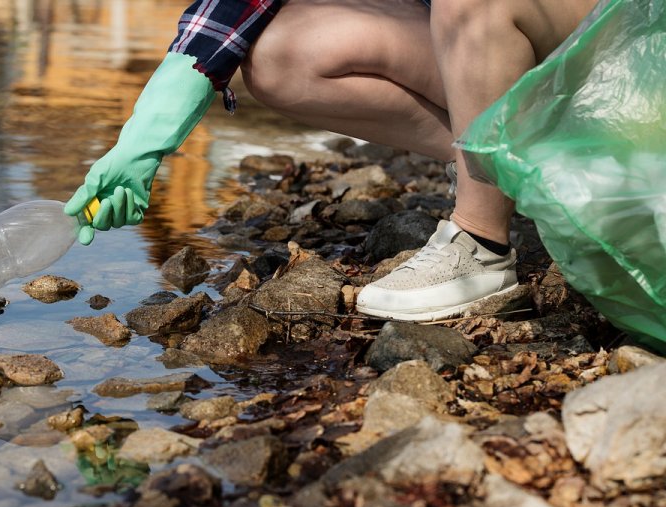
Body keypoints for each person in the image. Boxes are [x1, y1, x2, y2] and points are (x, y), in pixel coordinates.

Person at [64, 0, 598, 322]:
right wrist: (149, 132)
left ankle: (481, 237)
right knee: (282, 55)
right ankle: (546, 166)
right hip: (495, 44)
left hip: (612, 39)